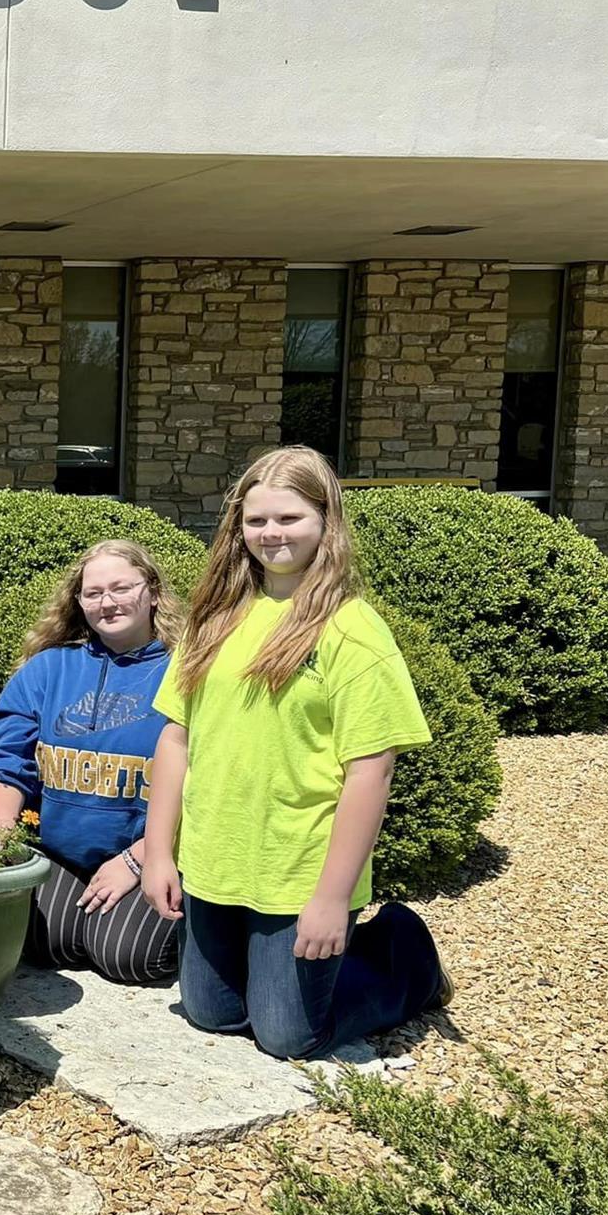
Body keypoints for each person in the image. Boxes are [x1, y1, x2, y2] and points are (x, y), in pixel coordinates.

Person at [139, 445, 450, 1060]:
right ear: (238, 526)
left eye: (289, 518)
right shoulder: (214, 618)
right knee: (211, 1014)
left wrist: (332, 899)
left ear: (325, 522)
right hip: (216, 858)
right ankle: (296, 968)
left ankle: (403, 950)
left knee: (288, 1036)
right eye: (257, 520)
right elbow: (176, 736)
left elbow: (370, 771)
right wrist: (157, 853)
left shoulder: (352, 629)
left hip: (297, 866)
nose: (270, 533)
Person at [0, 540, 183, 985]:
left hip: (150, 853)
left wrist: (137, 861)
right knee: (46, 943)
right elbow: (10, 758)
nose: (107, 602)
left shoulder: (186, 670)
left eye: (121, 588)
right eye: (93, 593)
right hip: (62, 855)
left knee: (128, 958)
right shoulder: (49, 668)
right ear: (78, 602)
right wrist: (1, 833)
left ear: (151, 591)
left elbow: (204, 784)